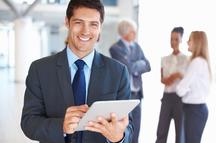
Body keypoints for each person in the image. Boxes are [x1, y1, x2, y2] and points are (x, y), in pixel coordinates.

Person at [20, 0, 133, 143]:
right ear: (67, 22)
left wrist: (119, 137)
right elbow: (28, 122)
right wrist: (61, 126)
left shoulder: (118, 72)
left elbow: (129, 126)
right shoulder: (40, 69)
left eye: (93, 24)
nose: (86, 31)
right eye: (79, 22)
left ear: (100, 27)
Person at [109, 19, 151, 143]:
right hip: (124, 94)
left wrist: (134, 65)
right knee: (125, 127)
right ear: (126, 32)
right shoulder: (115, 48)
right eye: (133, 31)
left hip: (137, 94)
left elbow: (148, 65)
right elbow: (127, 67)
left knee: (137, 127)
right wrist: (138, 63)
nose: (135, 34)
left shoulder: (136, 46)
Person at [176, 31, 211, 143]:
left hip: (194, 110)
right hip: (197, 109)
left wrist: (183, 84)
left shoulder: (196, 62)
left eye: (190, 39)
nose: (187, 42)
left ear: (197, 42)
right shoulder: (202, 61)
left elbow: (180, 90)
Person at [155, 27, 188, 143]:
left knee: (180, 132)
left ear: (181, 40)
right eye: (171, 39)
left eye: (176, 39)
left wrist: (174, 76)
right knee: (161, 131)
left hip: (180, 99)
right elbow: (163, 79)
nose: (173, 42)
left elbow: (186, 79)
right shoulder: (164, 59)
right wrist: (176, 75)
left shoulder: (186, 59)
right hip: (167, 97)